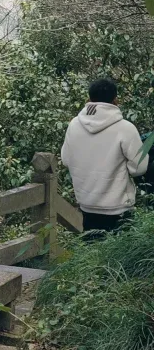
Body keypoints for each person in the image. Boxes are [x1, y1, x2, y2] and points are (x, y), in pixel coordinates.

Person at [61, 76, 149, 236]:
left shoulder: (74, 125)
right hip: (118, 209)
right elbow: (139, 168)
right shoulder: (125, 128)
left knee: (92, 249)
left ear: (89, 99)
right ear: (116, 100)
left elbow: (66, 160)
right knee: (121, 250)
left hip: (87, 205)